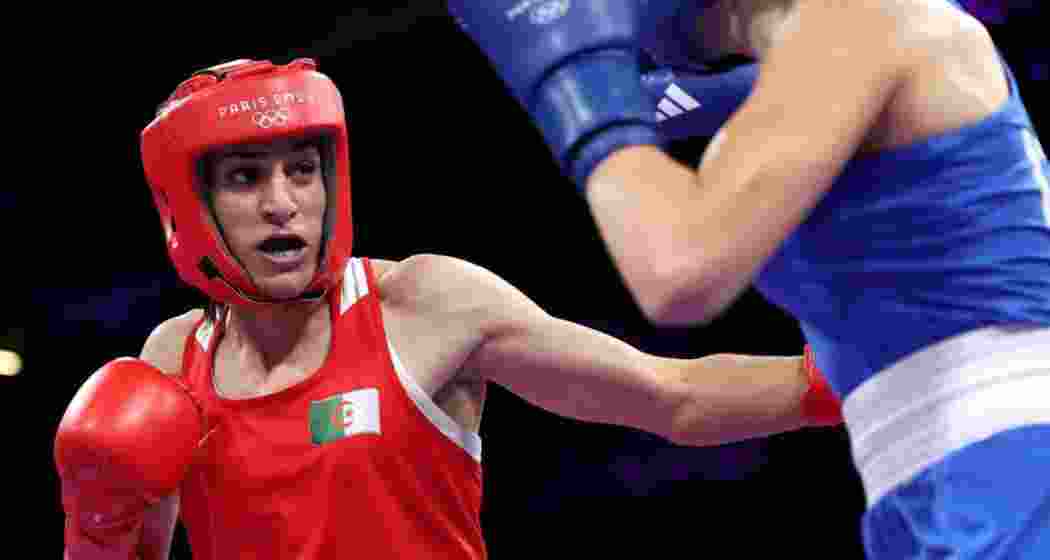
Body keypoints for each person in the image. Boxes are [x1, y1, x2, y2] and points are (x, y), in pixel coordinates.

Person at [53, 58, 843, 560]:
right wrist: (96, 523)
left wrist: (881, 376)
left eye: (302, 170)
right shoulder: (169, 360)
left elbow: (674, 397)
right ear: (187, 206)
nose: (284, 205)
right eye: (245, 178)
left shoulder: (423, 305)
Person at [449, 0, 1050, 558]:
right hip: (931, 477)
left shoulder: (859, 19)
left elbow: (676, 270)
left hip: (1010, 459)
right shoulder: (818, 68)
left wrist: (573, 78)